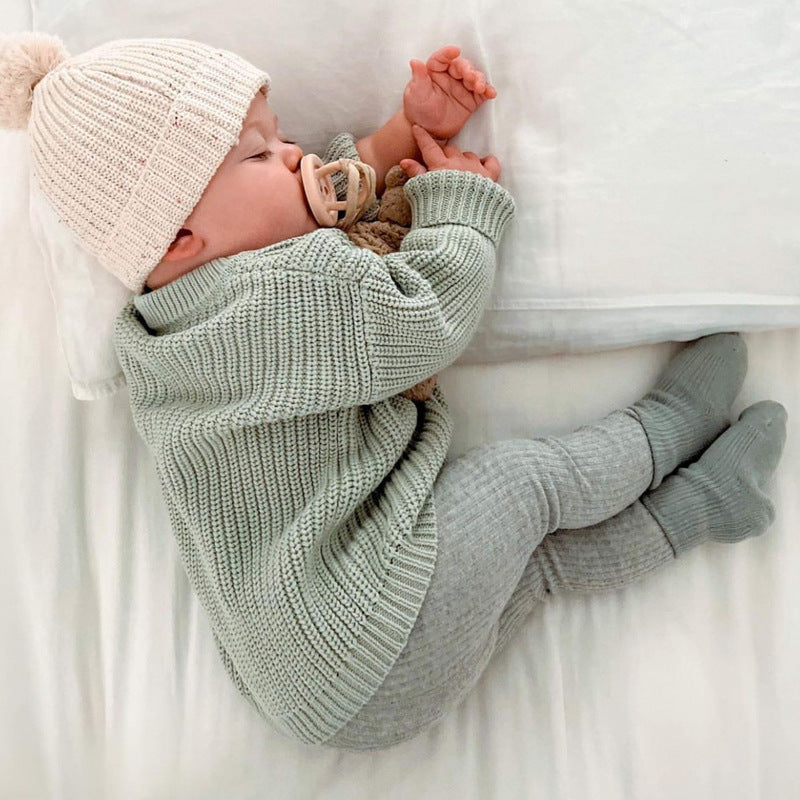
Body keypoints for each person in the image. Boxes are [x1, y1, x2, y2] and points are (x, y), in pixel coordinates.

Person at [0, 33, 787, 752]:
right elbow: (423, 318)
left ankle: (705, 505)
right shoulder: (280, 297)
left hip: (315, 686)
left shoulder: (161, 335)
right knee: (518, 490)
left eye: (280, 136)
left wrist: (405, 129)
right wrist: (460, 210)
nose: (293, 153)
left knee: (535, 566)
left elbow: (329, 208)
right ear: (178, 237)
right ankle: (674, 420)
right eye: (260, 155)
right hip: (365, 633)